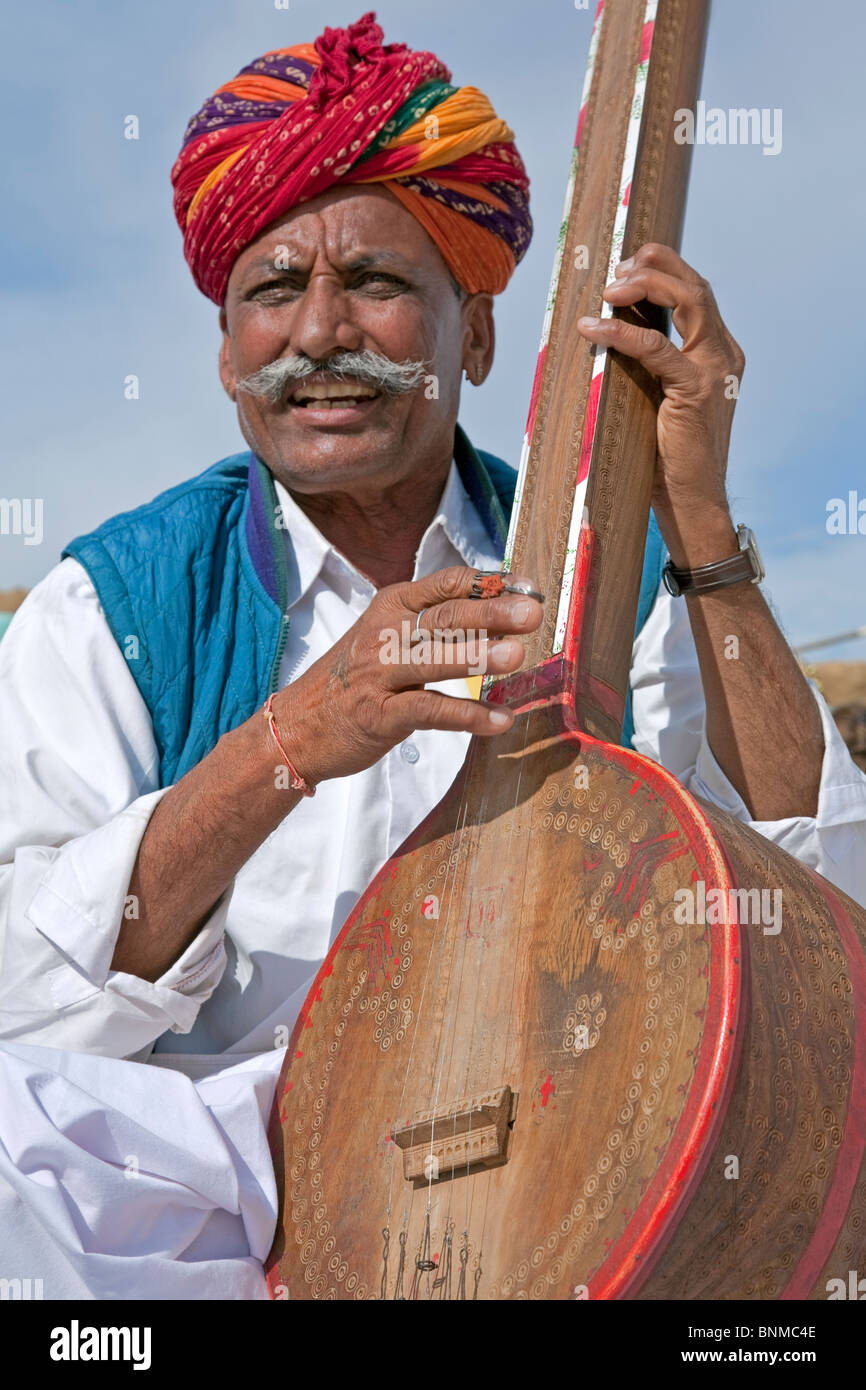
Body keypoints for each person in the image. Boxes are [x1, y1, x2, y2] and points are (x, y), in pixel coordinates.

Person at [2, 12, 865, 1084]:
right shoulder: (115, 610)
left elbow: (818, 900)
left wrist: (693, 515)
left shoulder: (618, 577)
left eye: (374, 281)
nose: (319, 333)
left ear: (481, 335)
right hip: (199, 1211)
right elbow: (21, 998)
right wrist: (289, 742)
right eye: (273, 290)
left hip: (570, 1176)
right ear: (228, 358)